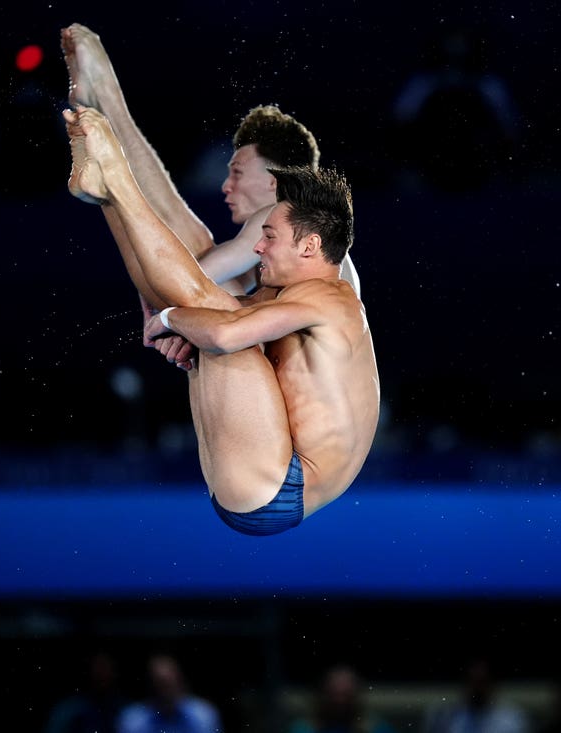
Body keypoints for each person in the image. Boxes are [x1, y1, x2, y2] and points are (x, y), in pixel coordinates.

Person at [62, 104, 379, 536]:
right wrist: (182, 325)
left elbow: (217, 326)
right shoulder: (290, 296)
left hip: (276, 486)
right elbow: (198, 312)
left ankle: (115, 178)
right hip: (261, 477)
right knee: (207, 309)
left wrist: (174, 319)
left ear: (309, 246)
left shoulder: (334, 298)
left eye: (268, 238)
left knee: (210, 312)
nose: (259, 248)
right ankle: (105, 192)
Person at [60, 24, 360, 317]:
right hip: (291, 352)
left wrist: (164, 314)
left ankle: (107, 116)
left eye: (238, 173)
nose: (226, 186)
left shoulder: (289, 216)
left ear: (274, 180)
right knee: (193, 257)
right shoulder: (289, 255)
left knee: (192, 263)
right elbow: (181, 281)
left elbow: (183, 285)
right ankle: (106, 120)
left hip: (285, 354)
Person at [117, 654, 223, 733]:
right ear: (150, 686)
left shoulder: (203, 714)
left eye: (169, 683)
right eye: (160, 684)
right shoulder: (133, 719)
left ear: (180, 682)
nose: (165, 691)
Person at [422, 657, 531, 733]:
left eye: (482, 682)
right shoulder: (447, 718)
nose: (477, 689)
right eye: (473, 681)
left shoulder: (511, 719)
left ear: (492, 684)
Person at [287, 664, 399, 733]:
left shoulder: (376, 729)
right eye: (334, 694)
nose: (340, 701)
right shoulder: (304, 729)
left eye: (346, 695)